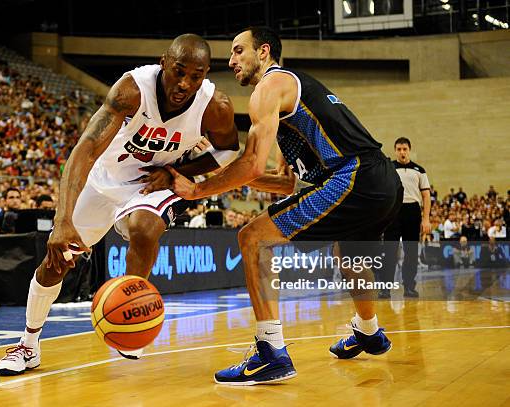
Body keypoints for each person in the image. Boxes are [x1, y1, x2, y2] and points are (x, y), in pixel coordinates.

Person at [158, 27, 402, 385]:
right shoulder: (293, 102)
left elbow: (252, 164)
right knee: (347, 257)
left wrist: (197, 190)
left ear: (264, 51)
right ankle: (368, 331)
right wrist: (224, 168)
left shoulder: (270, 87)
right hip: (381, 182)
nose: (231, 60)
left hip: (354, 176)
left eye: (239, 51)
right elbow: (283, 182)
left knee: (253, 239)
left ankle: (270, 351)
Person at [0, 33, 239, 376]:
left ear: (206, 73)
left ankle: (131, 312)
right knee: (56, 262)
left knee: (144, 226)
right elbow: (85, 150)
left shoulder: (216, 106)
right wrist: (62, 219)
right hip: (103, 179)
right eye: (178, 71)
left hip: (149, 184)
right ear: (163, 62)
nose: (184, 83)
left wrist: (176, 173)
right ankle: (28, 344)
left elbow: (228, 151)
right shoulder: (131, 90)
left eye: (195, 76)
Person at [379, 137, 431, 298]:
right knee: (389, 251)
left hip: (412, 211)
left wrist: (426, 219)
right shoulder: (389, 168)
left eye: (405, 149)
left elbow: (426, 196)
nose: (402, 152)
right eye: (399, 149)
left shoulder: (419, 170)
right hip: (394, 211)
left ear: (409, 150)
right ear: (395, 151)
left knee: (411, 252)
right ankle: (385, 288)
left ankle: (409, 286)